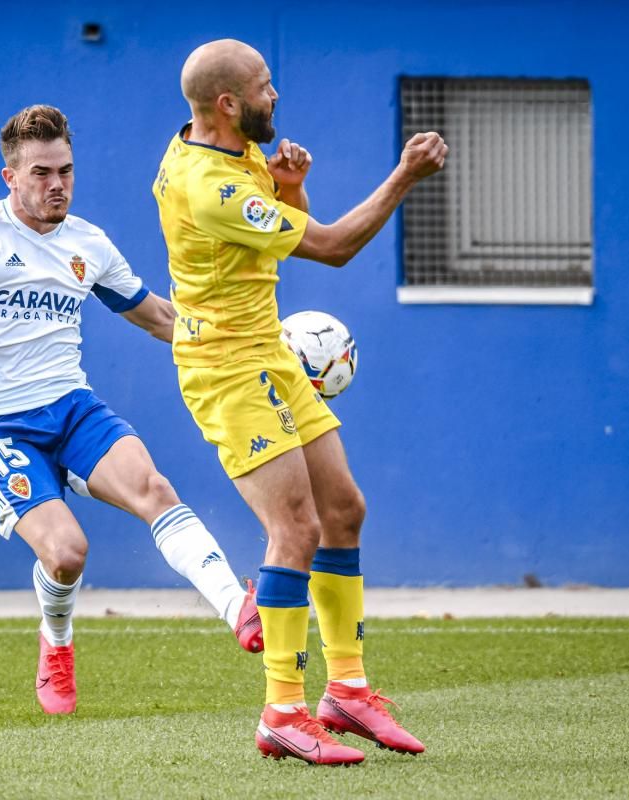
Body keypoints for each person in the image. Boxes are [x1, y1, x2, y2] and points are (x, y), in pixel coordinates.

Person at [0, 104, 262, 716]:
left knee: (154, 488)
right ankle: (56, 642)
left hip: (72, 408)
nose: (56, 184)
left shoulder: (89, 244)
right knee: (66, 553)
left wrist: (245, 341)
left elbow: (160, 317)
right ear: (11, 177)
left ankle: (237, 607)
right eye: (40, 173)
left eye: (66, 171)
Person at [152, 39, 448, 765]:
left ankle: (345, 690)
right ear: (228, 104)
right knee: (295, 529)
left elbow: (275, 238)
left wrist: (285, 189)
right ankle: (281, 708)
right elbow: (334, 247)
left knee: (343, 510)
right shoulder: (208, 185)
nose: (274, 95)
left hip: (269, 353)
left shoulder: (229, 148)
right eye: (264, 85)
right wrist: (406, 174)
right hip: (225, 368)